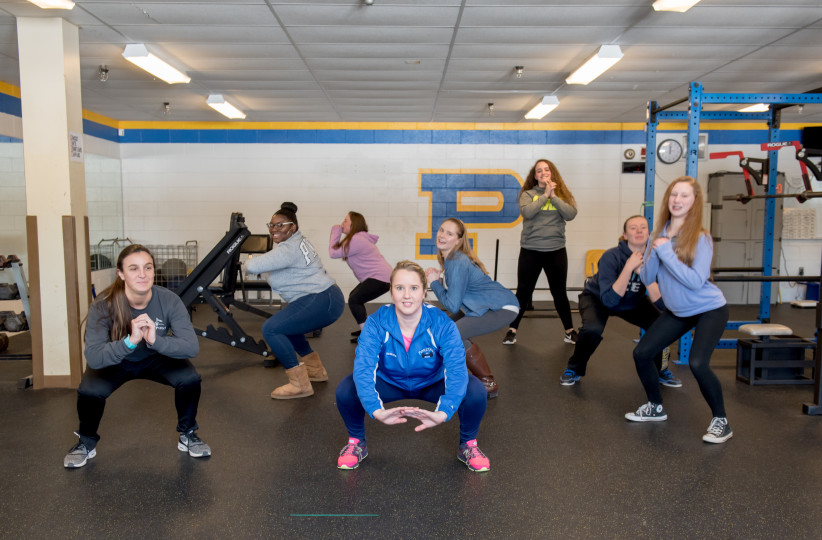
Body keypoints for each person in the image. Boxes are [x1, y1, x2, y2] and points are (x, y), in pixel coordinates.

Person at [335, 260, 491, 472]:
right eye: (400, 288)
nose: (406, 295)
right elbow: (363, 368)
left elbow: (456, 369)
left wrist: (444, 412)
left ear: (424, 291)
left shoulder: (442, 323)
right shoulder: (376, 322)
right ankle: (356, 443)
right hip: (390, 381)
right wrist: (376, 410)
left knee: (475, 391)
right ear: (391, 291)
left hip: (431, 382)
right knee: (347, 389)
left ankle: (468, 445)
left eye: (414, 288)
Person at [64, 244, 209, 468]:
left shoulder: (169, 300)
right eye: (133, 268)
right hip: (117, 359)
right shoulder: (103, 306)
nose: (142, 274)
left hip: (155, 356)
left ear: (153, 271)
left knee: (189, 379)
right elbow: (93, 357)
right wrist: (130, 341)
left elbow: (191, 347)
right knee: (89, 391)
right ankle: (86, 441)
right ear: (121, 274)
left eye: (148, 267)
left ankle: (188, 434)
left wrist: (154, 341)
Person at [627, 176, 732, 444]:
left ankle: (721, 420)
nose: (677, 200)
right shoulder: (659, 234)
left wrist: (666, 254)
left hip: (709, 308)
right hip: (678, 311)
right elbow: (648, 276)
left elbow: (696, 281)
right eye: (674, 195)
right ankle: (655, 407)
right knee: (642, 353)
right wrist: (649, 249)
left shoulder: (700, 237)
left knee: (697, 363)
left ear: (694, 202)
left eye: (684, 196)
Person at [559, 215, 681, 387]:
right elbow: (609, 300)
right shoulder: (611, 257)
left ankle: (660, 369)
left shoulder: (655, 258)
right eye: (633, 228)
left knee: (661, 325)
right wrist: (629, 267)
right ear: (625, 234)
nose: (639, 231)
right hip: (598, 299)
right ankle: (574, 368)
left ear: (649, 232)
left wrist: (644, 274)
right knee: (592, 330)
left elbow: (661, 302)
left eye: (643, 227)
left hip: (632, 300)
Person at [246, 202, 345, 399]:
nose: (274, 229)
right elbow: (274, 267)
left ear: (293, 227)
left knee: (271, 328)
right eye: (272, 225)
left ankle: (299, 384)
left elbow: (252, 266)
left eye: (281, 225)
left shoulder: (287, 250)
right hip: (328, 297)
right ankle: (315, 371)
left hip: (320, 299)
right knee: (288, 327)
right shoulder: (296, 243)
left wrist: (248, 260)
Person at [425, 218, 519, 399]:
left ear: (458, 240)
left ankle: (487, 382)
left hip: (501, 307)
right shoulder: (450, 259)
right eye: (442, 230)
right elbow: (456, 299)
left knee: (453, 333)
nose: (442, 235)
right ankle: (439, 376)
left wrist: (435, 283)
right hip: (478, 306)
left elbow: (452, 304)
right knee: (441, 329)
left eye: (449, 233)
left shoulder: (457, 261)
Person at [503, 158, 578, 346]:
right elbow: (527, 213)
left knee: (559, 292)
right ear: (534, 176)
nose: (543, 173)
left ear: (552, 173)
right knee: (523, 292)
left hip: (556, 250)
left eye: (546, 170)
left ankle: (569, 331)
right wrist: (545, 194)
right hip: (531, 250)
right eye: (539, 171)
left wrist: (553, 196)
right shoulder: (527, 194)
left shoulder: (562, 194)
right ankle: (512, 330)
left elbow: (571, 214)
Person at [328, 211, 392, 343]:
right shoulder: (358, 238)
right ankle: (367, 328)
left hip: (380, 277)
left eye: (346, 221)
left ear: (354, 224)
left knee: (354, 299)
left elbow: (333, 253)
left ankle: (367, 335)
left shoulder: (357, 239)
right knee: (355, 296)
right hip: (381, 277)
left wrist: (335, 231)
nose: (342, 223)